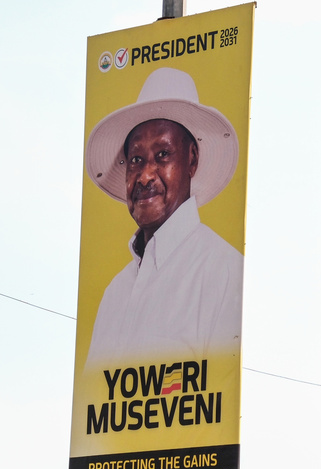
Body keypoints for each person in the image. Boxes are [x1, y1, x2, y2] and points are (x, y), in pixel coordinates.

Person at [84, 67, 243, 368]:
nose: (145, 176)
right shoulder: (115, 293)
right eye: (136, 160)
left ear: (192, 159)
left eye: (162, 155)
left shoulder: (224, 272)